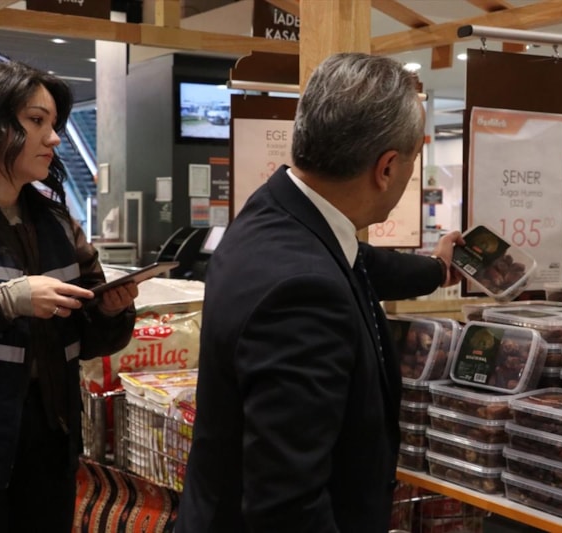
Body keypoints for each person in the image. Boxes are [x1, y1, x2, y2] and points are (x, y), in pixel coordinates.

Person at [176, 52, 464, 533]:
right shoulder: (303, 292)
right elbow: (288, 505)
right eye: (414, 159)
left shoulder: (278, 212)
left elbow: (359, 262)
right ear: (387, 167)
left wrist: (437, 269)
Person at [0, 61, 137, 533]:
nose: (54, 139)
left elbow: (87, 338)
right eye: (36, 120)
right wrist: (7, 301)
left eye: (55, 123)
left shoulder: (57, 222)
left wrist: (110, 313)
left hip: (50, 446)